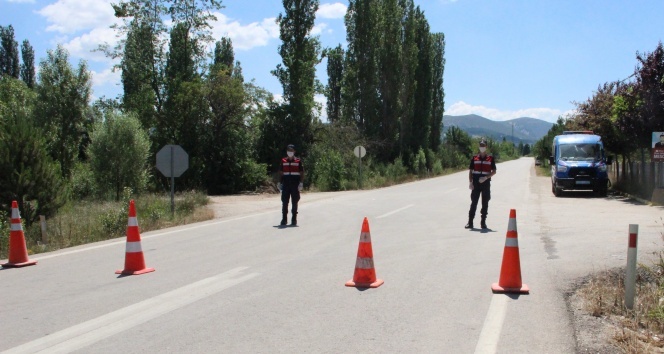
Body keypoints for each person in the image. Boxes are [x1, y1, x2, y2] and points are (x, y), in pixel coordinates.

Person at [465, 139, 497, 229]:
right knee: (473, 202)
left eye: (483, 145)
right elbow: (471, 171)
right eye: (480, 145)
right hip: (475, 183)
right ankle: (470, 222)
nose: (482, 147)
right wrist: (470, 182)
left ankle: (483, 222)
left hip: (485, 183)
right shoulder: (474, 158)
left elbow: (494, 171)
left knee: (485, 203)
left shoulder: (490, 158)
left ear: (486, 147)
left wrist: (486, 177)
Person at [278, 144, 304, 226]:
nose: (290, 152)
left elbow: (302, 173)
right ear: (286, 151)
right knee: (284, 202)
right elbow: (281, 173)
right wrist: (280, 183)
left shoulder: (298, 161)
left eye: (291, 151)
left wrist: (301, 183)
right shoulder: (283, 161)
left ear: (294, 152)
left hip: (295, 184)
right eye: (288, 150)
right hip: (286, 184)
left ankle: (294, 220)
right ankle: (284, 220)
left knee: (294, 202)